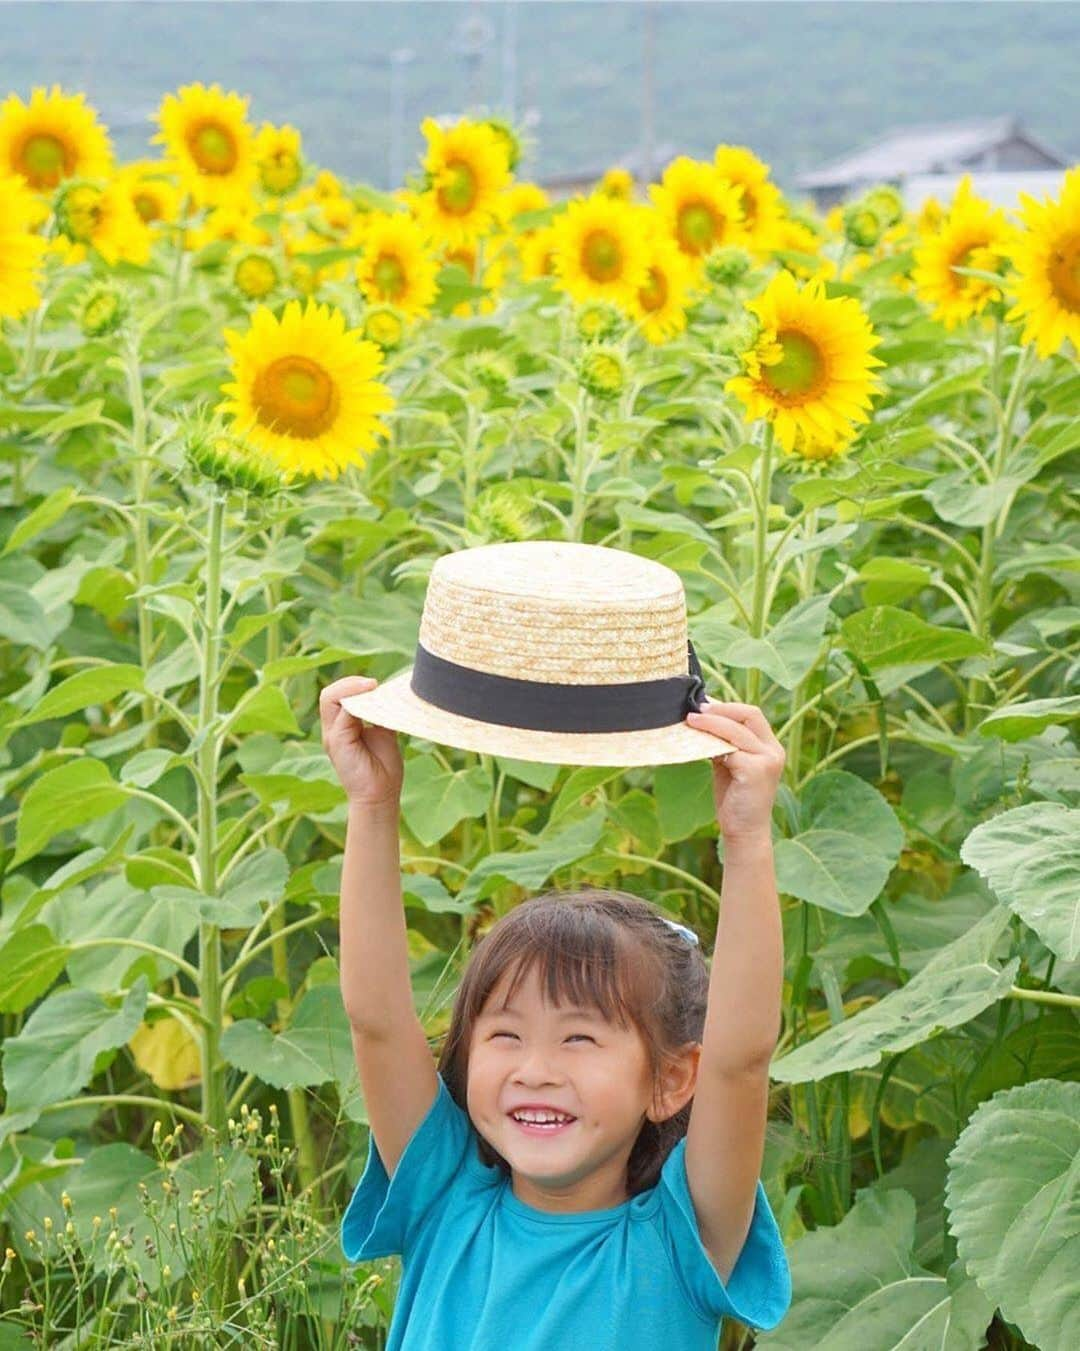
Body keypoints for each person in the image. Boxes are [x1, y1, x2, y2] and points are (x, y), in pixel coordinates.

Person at [320, 672, 791, 1350]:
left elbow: (740, 1063)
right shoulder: (443, 1199)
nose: (535, 1069)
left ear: (669, 1080)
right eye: (506, 1034)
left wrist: (747, 840)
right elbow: (378, 1020)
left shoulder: (681, 1244)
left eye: (578, 1038)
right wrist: (371, 802)